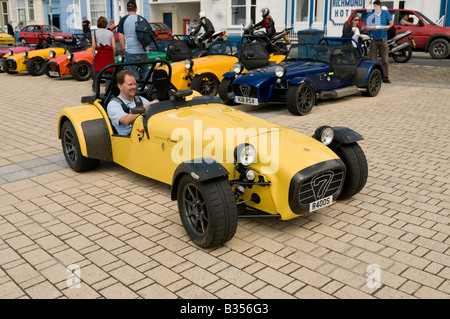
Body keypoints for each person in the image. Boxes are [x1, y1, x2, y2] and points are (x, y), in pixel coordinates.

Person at [107, 70, 158, 136]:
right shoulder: (113, 104)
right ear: (120, 86)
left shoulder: (140, 99)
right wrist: (146, 107)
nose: (134, 87)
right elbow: (126, 120)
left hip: (145, 134)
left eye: (134, 84)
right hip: (129, 139)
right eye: (130, 84)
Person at [117, 1, 150, 81]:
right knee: (146, 72)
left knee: (132, 74)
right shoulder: (142, 19)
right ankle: (152, 91)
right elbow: (149, 34)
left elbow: (121, 36)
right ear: (136, 9)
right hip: (143, 51)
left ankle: (135, 92)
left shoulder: (123, 20)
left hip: (131, 51)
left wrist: (124, 48)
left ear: (127, 9)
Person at [364, 0, 393, 83]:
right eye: (375, 7)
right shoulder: (370, 15)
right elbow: (366, 27)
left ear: (380, 6)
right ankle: (373, 75)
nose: (376, 8)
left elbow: (391, 22)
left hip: (383, 39)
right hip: (374, 39)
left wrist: (389, 26)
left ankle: (385, 76)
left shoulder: (385, 13)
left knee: (385, 60)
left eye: (377, 7)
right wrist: (371, 28)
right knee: (373, 59)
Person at [91, 16, 116, 92]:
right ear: (106, 24)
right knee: (109, 73)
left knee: (97, 73)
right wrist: (113, 54)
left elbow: (93, 45)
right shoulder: (110, 33)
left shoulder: (94, 33)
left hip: (99, 54)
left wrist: (93, 55)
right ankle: (108, 90)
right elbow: (114, 46)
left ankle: (96, 89)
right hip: (108, 54)